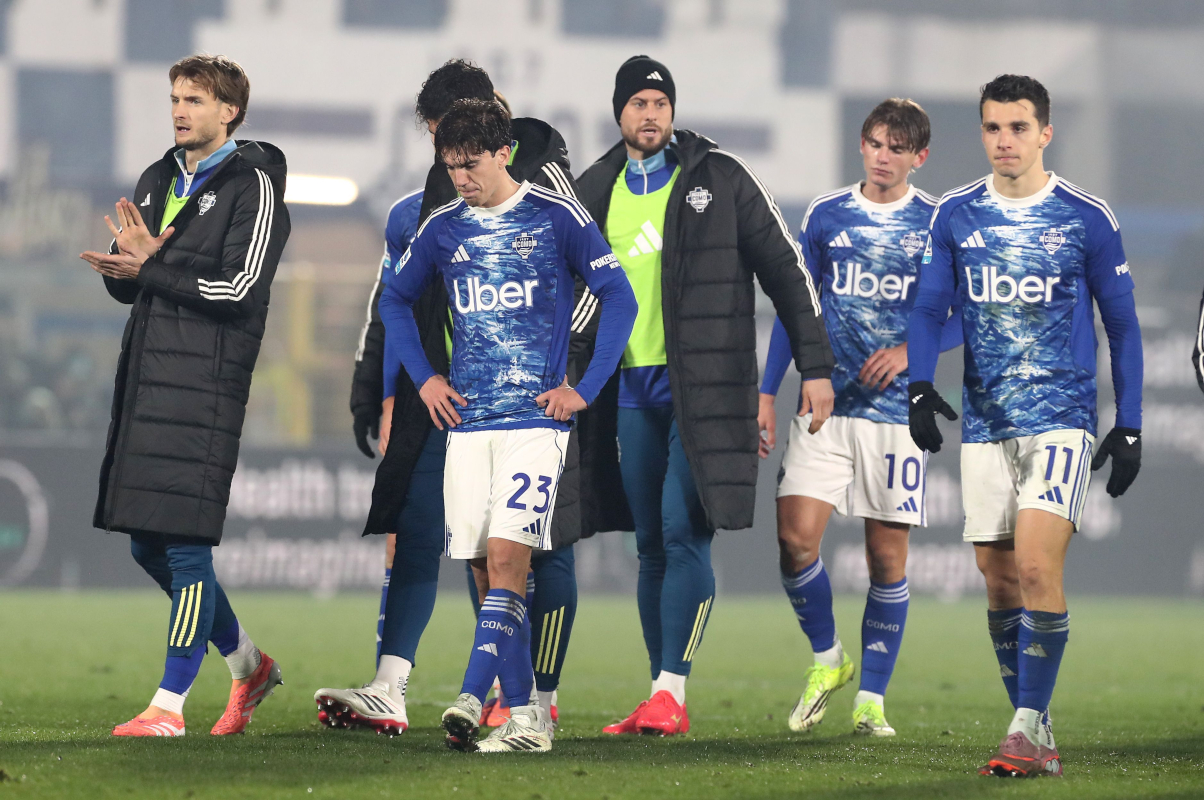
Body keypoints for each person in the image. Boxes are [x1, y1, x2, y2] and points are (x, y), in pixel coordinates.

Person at [317, 64, 585, 735]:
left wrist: (560, 376)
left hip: (536, 402)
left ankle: (533, 700)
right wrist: (379, 391)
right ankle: (393, 686)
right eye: (440, 138)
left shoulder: (545, 186)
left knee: (534, 551)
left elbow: (587, 289)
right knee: (441, 538)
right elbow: (391, 304)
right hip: (445, 403)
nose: (450, 152)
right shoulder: (418, 213)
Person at [575, 56, 834, 737]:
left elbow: (787, 268)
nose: (651, 113)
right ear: (619, 113)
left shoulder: (719, 177)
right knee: (650, 545)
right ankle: (659, 694)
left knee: (684, 533)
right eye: (638, 102)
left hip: (707, 390)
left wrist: (815, 365)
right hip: (627, 390)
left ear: (673, 111)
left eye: (661, 101)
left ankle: (673, 691)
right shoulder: (594, 188)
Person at [381, 98, 636, 753]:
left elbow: (620, 296)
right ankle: (526, 720)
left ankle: (470, 694)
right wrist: (426, 378)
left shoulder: (554, 217)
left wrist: (584, 389)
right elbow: (395, 300)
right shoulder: (442, 229)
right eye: (450, 165)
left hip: (533, 425)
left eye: (471, 164)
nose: (461, 177)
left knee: (507, 560)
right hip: (467, 425)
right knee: (477, 567)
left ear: (504, 154)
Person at [908, 74, 1143, 777]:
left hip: (1061, 421)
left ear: (1045, 132)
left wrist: (1128, 423)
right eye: (992, 128)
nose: (1004, 140)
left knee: (1038, 565)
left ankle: (1020, 730)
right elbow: (927, 312)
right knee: (998, 578)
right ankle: (1037, 730)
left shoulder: (1085, 217)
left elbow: (1124, 328)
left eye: (1018, 127)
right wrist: (920, 386)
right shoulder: (954, 214)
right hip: (985, 423)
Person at [79, 54, 289, 737]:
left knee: (187, 544)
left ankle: (169, 706)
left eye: (194, 99)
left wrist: (154, 266)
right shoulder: (156, 177)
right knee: (148, 546)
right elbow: (138, 280)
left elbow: (238, 292)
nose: (178, 110)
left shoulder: (253, 185)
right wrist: (122, 271)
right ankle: (248, 665)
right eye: (174, 97)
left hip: (206, 381)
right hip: (146, 378)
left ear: (229, 111)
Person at [759, 98, 963, 737]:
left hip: (897, 416)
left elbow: (964, 315)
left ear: (918, 157)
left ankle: (871, 698)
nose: (882, 155)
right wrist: (768, 391)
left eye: (896, 148)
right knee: (794, 540)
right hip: (825, 405)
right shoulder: (826, 215)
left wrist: (910, 352)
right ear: (862, 144)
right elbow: (798, 309)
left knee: (885, 559)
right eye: (874, 142)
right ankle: (829, 660)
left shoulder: (938, 223)